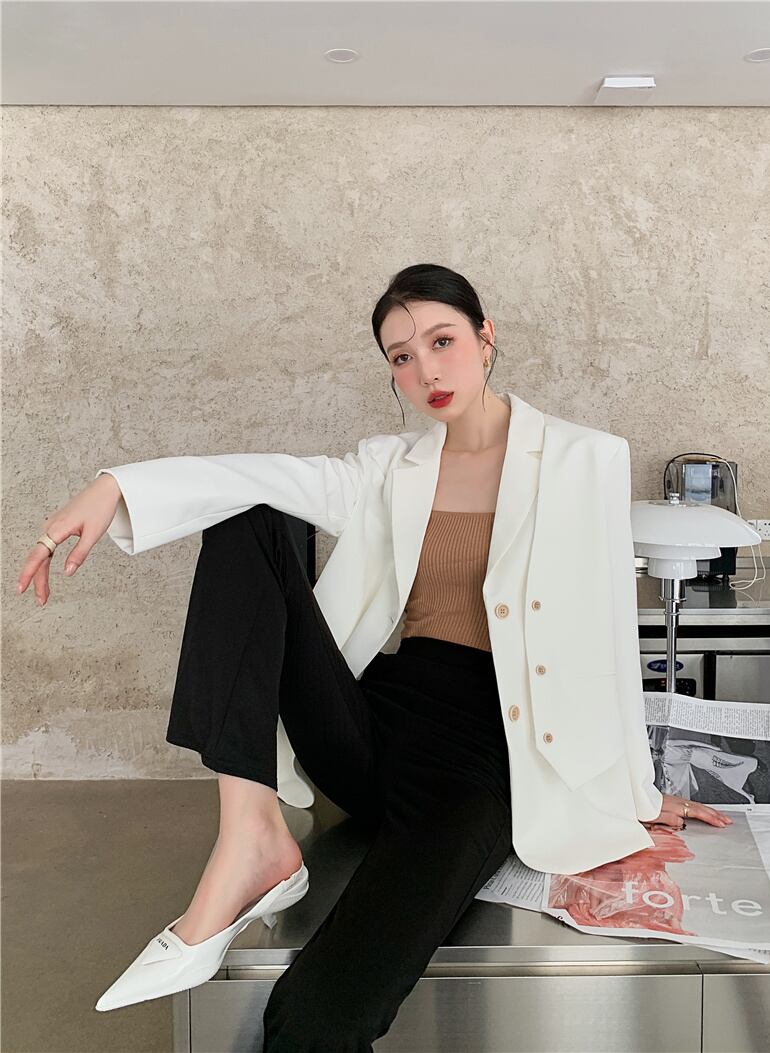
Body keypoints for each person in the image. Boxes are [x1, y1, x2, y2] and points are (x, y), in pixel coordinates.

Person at [16, 263, 731, 1050]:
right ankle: (250, 834)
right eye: (401, 356)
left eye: (442, 341)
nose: (426, 370)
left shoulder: (584, 458)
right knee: (248, 515)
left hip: (486, 757)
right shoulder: (391, 466)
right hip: (377, 718)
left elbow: (607, 630)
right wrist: (113, 487)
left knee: (323, 1013)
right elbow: (255, 473)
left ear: (486, 338)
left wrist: (633, 787)